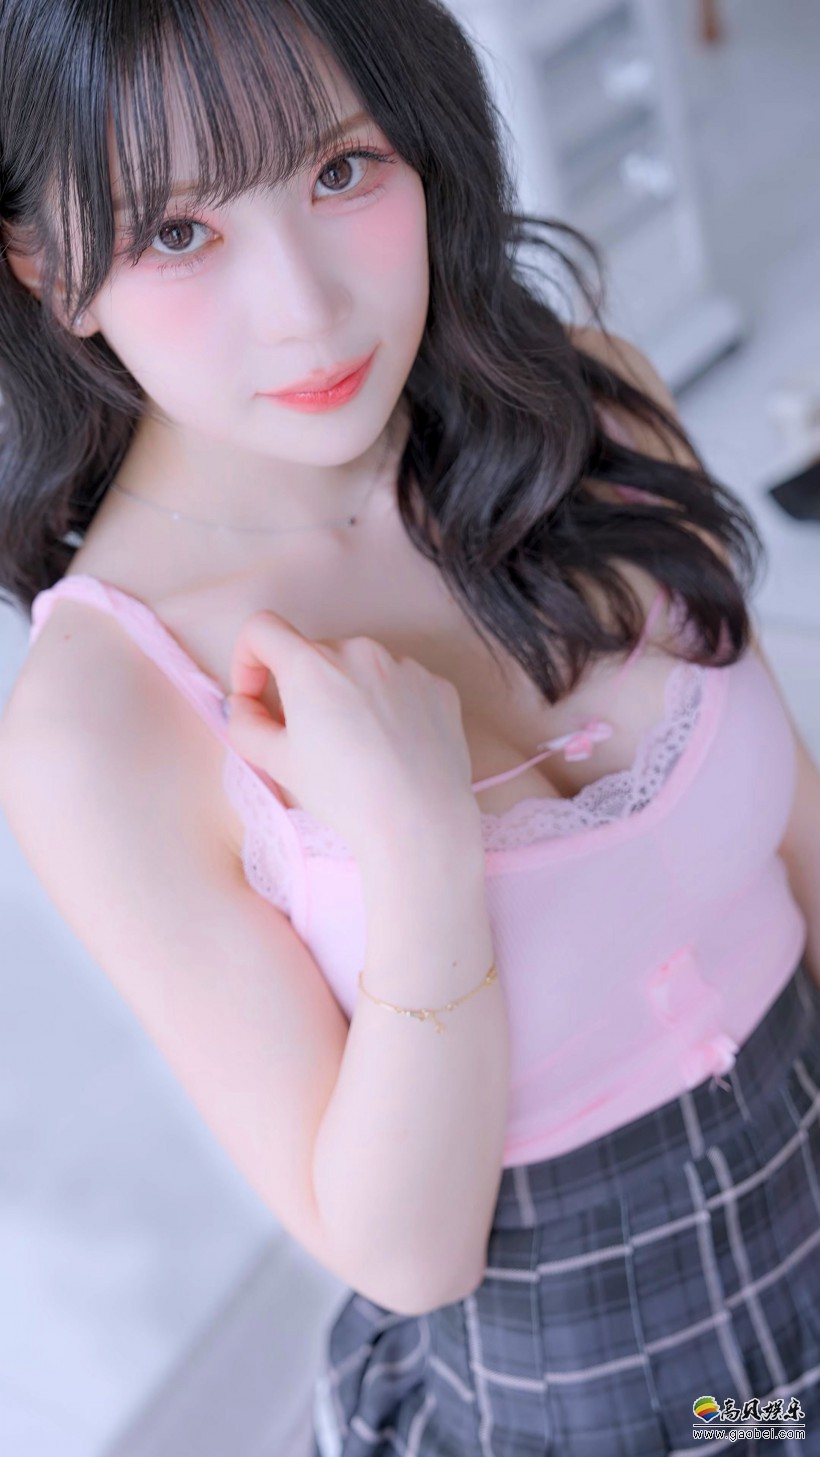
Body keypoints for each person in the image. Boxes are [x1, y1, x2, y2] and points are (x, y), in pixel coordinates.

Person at [0, 2, 818, 1453]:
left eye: (340, 169)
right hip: (586, 1407)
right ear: (46, 268)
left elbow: (797, 844)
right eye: (178, 233)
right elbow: (408, 1253)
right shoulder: (104, 717)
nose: (307, 311)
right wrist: (418, 854)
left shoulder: (587, 407)